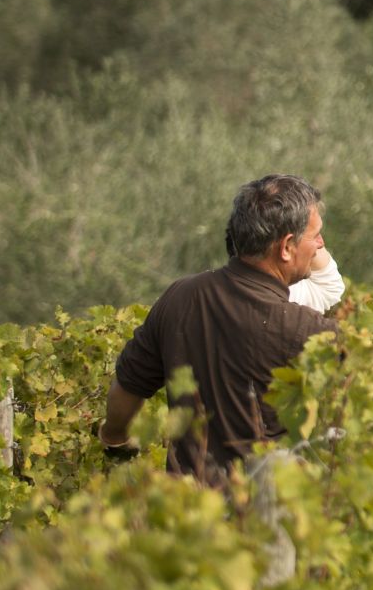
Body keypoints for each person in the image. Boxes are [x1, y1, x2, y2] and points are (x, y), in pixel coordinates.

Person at [99, 175, 338, 487]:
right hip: (260, 512)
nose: (320, 244)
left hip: (188, 512)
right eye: (315, 236)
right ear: (286, 247)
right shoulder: (302, 329)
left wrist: (114, 437)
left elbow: (129, 385)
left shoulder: (179, 297)